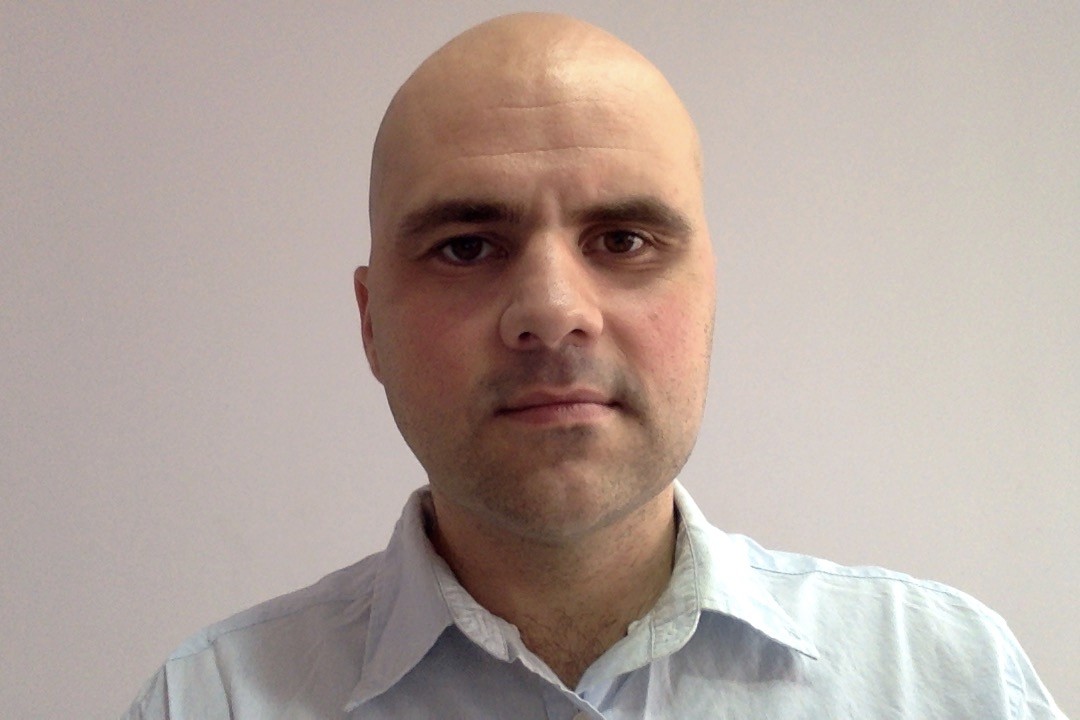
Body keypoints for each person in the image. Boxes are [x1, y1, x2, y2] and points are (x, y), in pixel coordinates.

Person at [124, 13, 1066, 719]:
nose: (552, 311)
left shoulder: (946, 681)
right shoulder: (208, 702)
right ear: (372, 324)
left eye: (622, 240)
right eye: (465, 246)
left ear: (709, 298)